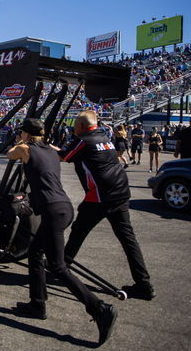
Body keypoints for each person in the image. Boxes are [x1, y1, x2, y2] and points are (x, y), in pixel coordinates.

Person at [8, 118, 117, 346]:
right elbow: (61, 152)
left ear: (26, 134)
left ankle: (100, 309)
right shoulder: (51, 149)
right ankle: (37, 303)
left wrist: (20, 142)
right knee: (35, 254)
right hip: (64, 208)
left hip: (52, 211)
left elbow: (10, 155)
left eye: (22, 133)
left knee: (58, 267)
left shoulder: (24, 148)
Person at [59, 110, 155, 300]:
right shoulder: (104, 136)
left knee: (79, 231)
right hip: (120, 192)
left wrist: (42, 147)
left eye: (76, 124)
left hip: (101, 195)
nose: (74, 127)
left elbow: (65, 156)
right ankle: (144, 284)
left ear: (81, 126)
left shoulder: (83, 140)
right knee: (128, 239)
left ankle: (60, 266)